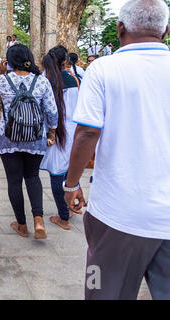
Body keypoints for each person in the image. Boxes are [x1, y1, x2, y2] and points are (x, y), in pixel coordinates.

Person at [64, 0, 170, 300]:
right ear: (166, 30)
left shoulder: (103, 69)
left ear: (120, 28)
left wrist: (70, 184)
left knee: (103, 292)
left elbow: (87, 132)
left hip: (119, 215)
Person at [0, 44, 58, 239]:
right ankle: (38, 220)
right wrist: (51, 133)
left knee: (14, 181)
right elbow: (52, 111)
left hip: (9, 139)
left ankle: (22, 224)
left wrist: (1, 72)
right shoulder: (41, 82)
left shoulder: (3, 80)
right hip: (35, 139)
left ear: (9, 60)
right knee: (33, 177)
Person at [40, 45, 80, 231]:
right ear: (66, 61)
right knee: (68, 171)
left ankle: (63, 216)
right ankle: (71, 207)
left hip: (53, 132)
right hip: (73, 132)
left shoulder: (44, 80)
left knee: (57, 173)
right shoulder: (75, 80)